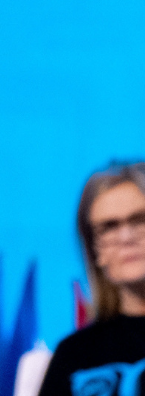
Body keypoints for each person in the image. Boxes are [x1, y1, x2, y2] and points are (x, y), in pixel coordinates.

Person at [38, 163, 145, 396]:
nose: (126, 237)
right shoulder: (73, 355)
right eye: (109, 227)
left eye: (139, 219)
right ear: (94, 249)